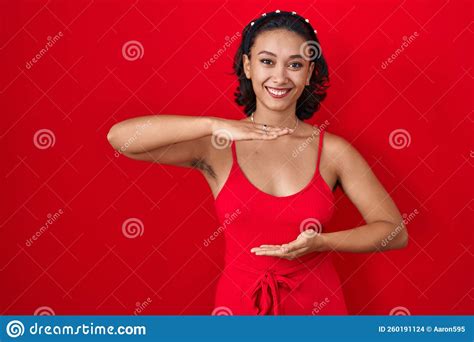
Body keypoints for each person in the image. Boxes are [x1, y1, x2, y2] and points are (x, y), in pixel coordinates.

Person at [107, 10, 408, 315]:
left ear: (308, 73)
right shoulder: (218, 146)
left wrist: (321, 243)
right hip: (239, 308)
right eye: (267, 61)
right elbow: (120, 138)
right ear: (248, 66)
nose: (280, 77)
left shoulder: (333, 151)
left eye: (294, 65)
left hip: (319, 309)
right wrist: (213, 125)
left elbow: (395, 231)